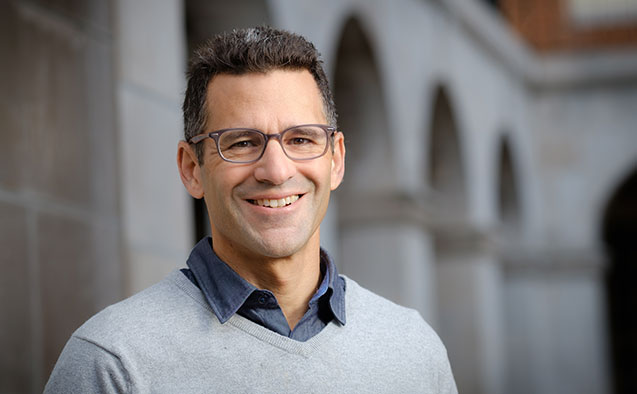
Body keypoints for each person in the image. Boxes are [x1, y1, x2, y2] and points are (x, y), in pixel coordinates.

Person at [44, 26, 457, 393]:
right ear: (192, 169)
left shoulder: (414, 350)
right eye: (241, 142)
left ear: (336, 160)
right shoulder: (113, 362)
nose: (276, 171)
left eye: (301, 139)